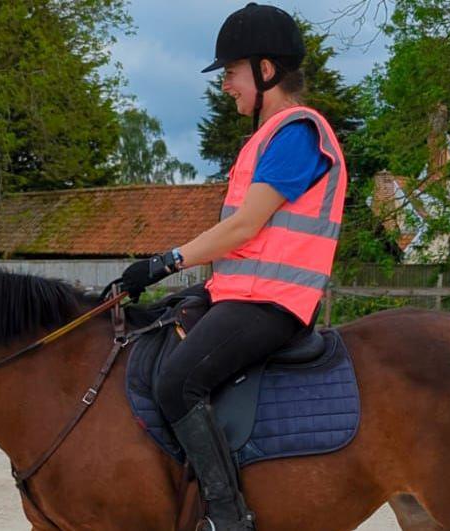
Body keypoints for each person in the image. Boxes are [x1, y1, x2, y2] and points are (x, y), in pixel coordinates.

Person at [119, 3, 348, 530]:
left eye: (231, 72)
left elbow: (244, 227)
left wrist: (164, 262)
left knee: (177, 383)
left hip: (273, 305)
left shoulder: (297, 135)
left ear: (266, 70)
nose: (226, 85)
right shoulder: (266, 138)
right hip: (238, 295)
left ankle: (228, 517)